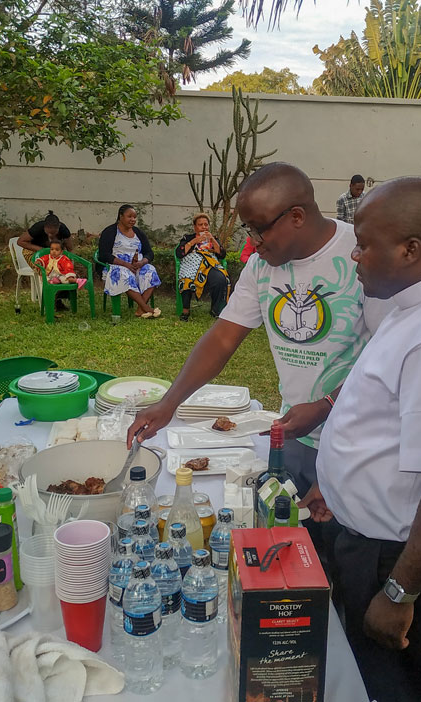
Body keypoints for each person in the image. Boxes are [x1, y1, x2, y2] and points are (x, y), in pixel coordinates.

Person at [299, 178, 421, 702]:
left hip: (394, 557)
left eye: (365, 243)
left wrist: (400, 591)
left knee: (388, 685)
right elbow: (384, 425)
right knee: (358, 675)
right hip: (363, 535)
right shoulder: (410, 308)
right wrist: (334, 489)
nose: (356, 256)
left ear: (410, 250)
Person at [128, 162, 385, 513]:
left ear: (297, 215)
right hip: (295, 435)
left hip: (360, 445)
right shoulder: (262, 266)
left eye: (259, 230)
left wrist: (328, 405)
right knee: (299, 533)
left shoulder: (362, 254)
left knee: (348, 549)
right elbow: (222, 339)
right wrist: (169, 403)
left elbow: (391, 358)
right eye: (248, 230)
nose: (253, 243)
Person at [97, 204, 162, 318]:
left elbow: (150, 253)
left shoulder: (138, 233)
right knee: (123, 274)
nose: (133, 220)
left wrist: (142, 262)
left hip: (137, 266)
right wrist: (125, 264)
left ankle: (139, 309)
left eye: (134, 217)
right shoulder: (110, 232)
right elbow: (103, 255)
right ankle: (145, 307)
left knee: (151, 271)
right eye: (129, 216)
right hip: (115, 267)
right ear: (120, 216)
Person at [175, 212, 230, 321]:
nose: (204, 227)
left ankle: (216, 310)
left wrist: (213, 240)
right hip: (191, 264)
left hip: (209, 265)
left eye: (206, 224)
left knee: (220, 278)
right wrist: (195, 241)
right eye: (200, 225)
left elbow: (222, 254)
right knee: (186, 278)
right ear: (195, 227)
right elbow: (179, 253)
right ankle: (185, 310)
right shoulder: (188, 237)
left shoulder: (213, 238)